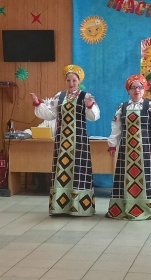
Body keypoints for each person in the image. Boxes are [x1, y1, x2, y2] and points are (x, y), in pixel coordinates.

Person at [30, 64, 100, 216]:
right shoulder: (60, 96)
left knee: (79, 171)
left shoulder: (86, 96)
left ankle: (80, 207)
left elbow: (94, 117)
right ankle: (60, 207)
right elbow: (50, 114)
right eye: (68, 80)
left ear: (79, 81)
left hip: (79, 141)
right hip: (62, 141)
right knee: (62, 170)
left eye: (74, 80)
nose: (71, 83)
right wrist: (38, 104)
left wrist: (90, 106)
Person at [105, 74, 151, 220]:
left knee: (146, 178)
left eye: (140, 87)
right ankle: (123, 207)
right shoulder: (122, 107)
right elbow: (116, 127)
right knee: (125, 178)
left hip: (145, 150)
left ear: (144, 90)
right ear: (128, 90)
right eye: (133, 87)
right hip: (126, 150)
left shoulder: (150, 106)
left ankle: (148, 208)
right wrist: (112, 144)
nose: (136, 90)